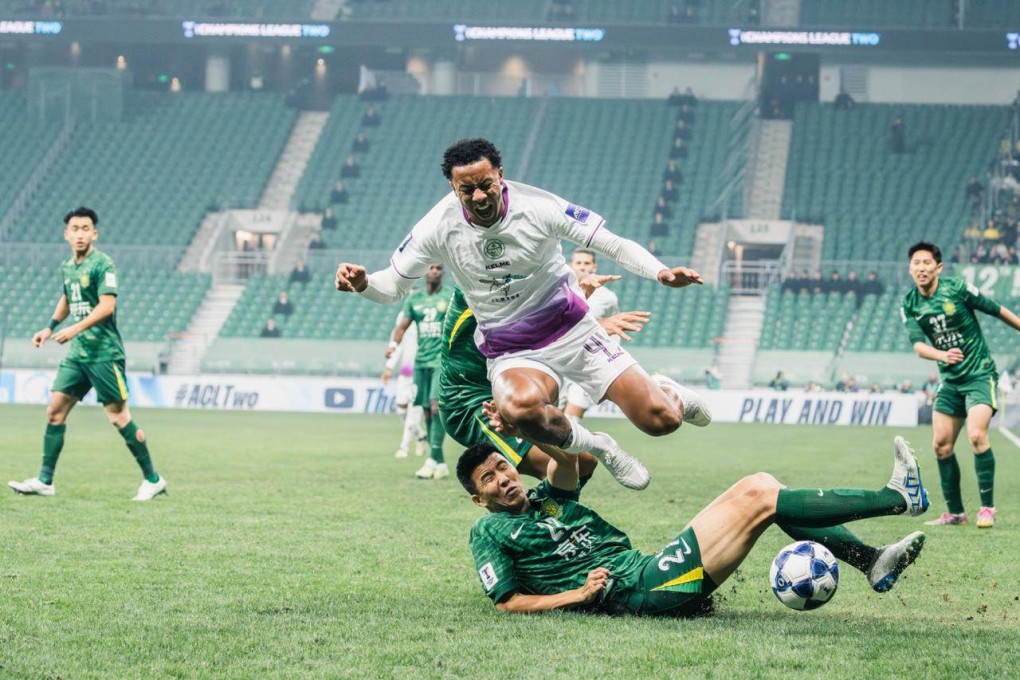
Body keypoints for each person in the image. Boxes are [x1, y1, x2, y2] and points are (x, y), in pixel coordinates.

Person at [336, 137, 711, 491]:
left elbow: (611, 243)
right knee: (518, 408)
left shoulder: (538, 207)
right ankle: (602, 447)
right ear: (453, 189)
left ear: (500, 173)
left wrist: (660, 272)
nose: (479, 196)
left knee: (662, 421)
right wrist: (364, 282)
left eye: (486, 184)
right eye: (467, 190)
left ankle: (668, 392)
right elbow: (391, 288)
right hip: (511, 351)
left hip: (574, 332)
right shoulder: (436, 227)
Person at [459, 436, 929, 615]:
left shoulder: (546, 500)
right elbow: (508, 603)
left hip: (645, 569)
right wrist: (578, 595)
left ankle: (871, 560)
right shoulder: (488, 533)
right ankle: (895, 499)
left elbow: (569, 466)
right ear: (479, 498)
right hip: (635, 590)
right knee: (762, 499)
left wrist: (536, 428)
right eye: (489, 480)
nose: (503, 479)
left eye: (503, 467)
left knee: (761, 483)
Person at [8, 207, 166, 501]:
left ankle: (153, 479)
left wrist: (74, 329)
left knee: (118, 417)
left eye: (86, 228)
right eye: (75, 229)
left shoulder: (103, 264)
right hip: (78, 355)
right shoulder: (69, 267)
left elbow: (107, 307)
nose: (80, 234)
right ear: (66, 234)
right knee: (55, 411)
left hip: (104, 354)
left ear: (95, 233)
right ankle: (45, 480)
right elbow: (68, 297)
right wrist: (50, 326)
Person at [900, 241, 1020, 529]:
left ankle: (987, 508)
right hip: (951, 381)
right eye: (916, 263)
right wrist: (942, 355)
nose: (921, 268)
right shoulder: (910, 304)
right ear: (910, 269)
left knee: (977, 436)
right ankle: (955, 513)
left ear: (938, 267)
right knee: (941, 446)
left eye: (926, 262)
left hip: (980, 374)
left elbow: (996, 309)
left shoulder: (958, 289)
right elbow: (918, 346)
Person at [385, 264, 451, 480]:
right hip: (420, 361)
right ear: (425, 272)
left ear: (443, 273)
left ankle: (432, 458)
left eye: (439, 268)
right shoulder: (414, 299)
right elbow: (402, 327)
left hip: (441, 360)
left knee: (435, 405)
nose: (435, 271)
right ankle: (440, 463)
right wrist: (393, 347)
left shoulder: (450, 296)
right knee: (425, 409)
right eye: (431, 267)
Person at [562, 249, 631, 422]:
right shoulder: (562, 292)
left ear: (594, 266)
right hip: (561, 362)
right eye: (578, 263)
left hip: (588, 365)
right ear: (572, 266)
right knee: (553, 418)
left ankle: (596, 447)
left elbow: (613, 330)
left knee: (571, 419)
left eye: (586, 263)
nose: (583, 267)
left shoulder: (608, 298)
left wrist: (607, 360)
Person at [381, 309, 427, 459]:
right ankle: (421, 436)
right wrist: (389, 366)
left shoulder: (430, 314)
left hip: (422, 371)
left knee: (413, 413)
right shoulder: (404, 315)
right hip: (405, 372)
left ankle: (403, 448)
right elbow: (397, 343)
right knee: (401, 410)